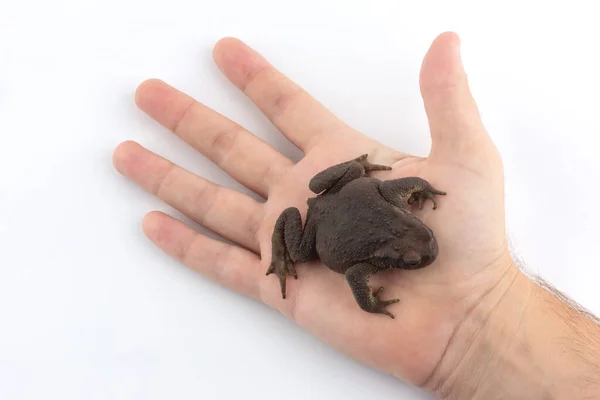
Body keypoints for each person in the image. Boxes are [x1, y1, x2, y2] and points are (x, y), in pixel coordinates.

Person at [112, 32, 600, 399]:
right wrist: (352, 283)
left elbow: (395, 200)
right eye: (411, 256)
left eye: (417, 244)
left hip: (342, 191)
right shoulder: (370, 253)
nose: (422, 251)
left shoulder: (387, 216)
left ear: (408, 226)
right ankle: (284, 254)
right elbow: (360, 273)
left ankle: (341, 186)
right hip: (321, 225)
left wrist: (416, 186)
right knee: (302, 250)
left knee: (328, 198)